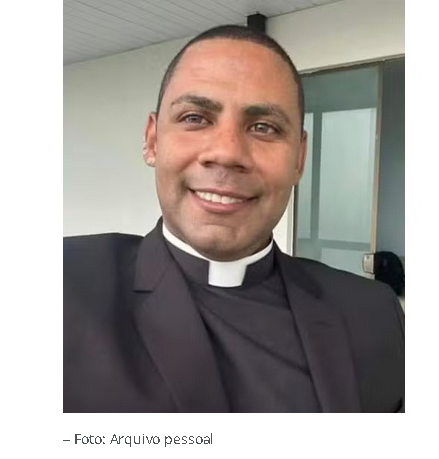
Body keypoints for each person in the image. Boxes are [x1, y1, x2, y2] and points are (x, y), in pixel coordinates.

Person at [63, 25, 405, 413]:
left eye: (264, 127)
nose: (227, 153)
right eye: (195, 118)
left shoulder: (372, 315)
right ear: (153, 140)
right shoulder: (66, 287)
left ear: (299, 158)